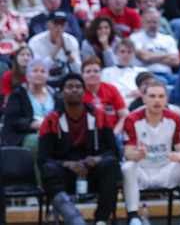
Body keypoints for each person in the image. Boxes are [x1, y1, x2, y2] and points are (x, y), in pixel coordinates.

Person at [38, 73, 121, 225]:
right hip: (66, 175)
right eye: (69, 87)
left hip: (93, 172)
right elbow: (43, 159)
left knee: (111, 164)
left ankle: (101, 220)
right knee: (48, 169)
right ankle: (74, 219)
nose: (74, 90)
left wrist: (98, 158)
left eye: (78, 87)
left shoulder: (100, 116)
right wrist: (67, 164)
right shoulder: (51, 120)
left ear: (84, 92)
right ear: (62, 93)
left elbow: (114, 151)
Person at [122, 78, 180, 225]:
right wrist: (138, 154)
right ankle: (133, 217)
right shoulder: (132, 119)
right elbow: (128, 153)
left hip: (165, 169)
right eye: (152, 96)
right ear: (144, 99)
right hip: (142, 170)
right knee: (128, 167)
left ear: (166, 99)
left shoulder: (174, 118)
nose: (157, 100)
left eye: (160, 96)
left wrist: (179, 156)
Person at [27, 10, 81, 85]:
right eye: (56, 23)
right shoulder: (35, 41)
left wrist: (67, 51)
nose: (59, 27)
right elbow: (38, 69)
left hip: (65, 83)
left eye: (62, 24)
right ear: (48, 25)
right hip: (43, 82)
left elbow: (78, 70)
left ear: (65, 27)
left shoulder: (71, 41)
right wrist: (56, 49)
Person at [131, 8, 180, 85]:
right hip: (147, 74)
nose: (152, 25)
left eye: (155, 22)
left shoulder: (168, 39)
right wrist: (167, 55)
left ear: (160, 23)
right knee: (161, 82)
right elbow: (144, 57)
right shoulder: (135, 37)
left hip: (168, 74)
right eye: (149, 22)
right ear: (143, 22)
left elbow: (176, 61)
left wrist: (150, 56)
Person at [81, 56, 127, 138]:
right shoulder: (78, 93)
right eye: (88, 71)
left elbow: (124, 115)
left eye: (96, 71)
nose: (92, 74)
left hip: (114, 132)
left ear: (101, 73)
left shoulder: (111, 89)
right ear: (82, 75)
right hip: (88, 135)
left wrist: (114, 134)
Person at [101, 38, 149, 104]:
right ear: (116, 52)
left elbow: (150, 91)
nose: (126, 55)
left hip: (139, 103)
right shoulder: (106, 72)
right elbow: (104, 94)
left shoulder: (143, 71)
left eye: (129, 52)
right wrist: (126, 95)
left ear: (134, 54)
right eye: (122, 51)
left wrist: (141, 93)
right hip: (116, 104)